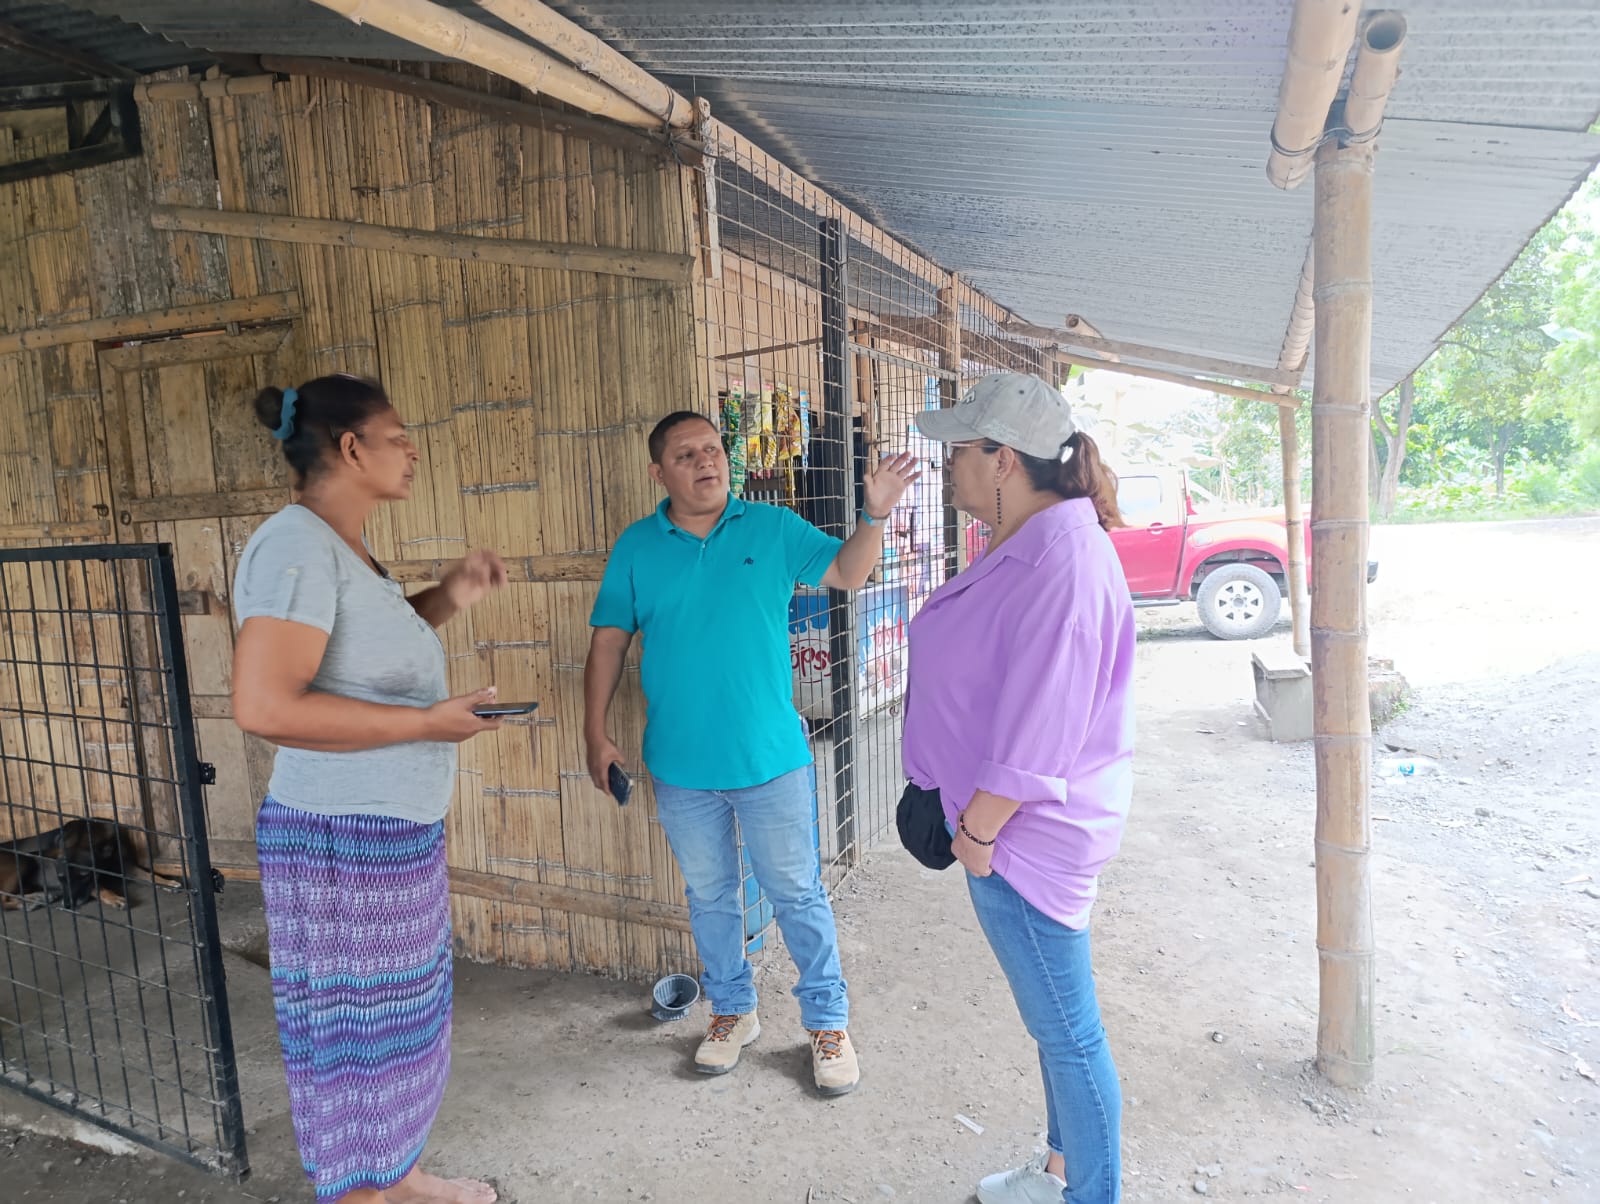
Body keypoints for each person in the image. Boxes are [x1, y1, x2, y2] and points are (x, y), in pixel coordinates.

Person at [231, 374, 508, 1204]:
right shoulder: (294, 547)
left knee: (400, 1030)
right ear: (351, 448)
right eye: (398, 437)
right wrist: (425, 724)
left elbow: (361, 656)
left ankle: (400, 1174)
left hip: (387, 834)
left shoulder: (341, 547)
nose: (412, 451)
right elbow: (265, 705)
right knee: (353, 1047)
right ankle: (361, 1193)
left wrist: (448, 596)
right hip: (339, 843)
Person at [584, 410, 918, 1096]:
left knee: (796, 893)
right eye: (686, 455)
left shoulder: (771, 528)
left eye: (712, 449)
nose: (705, 461)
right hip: (680, 765)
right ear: (658, 472)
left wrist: (875, 514)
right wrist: (595, 732)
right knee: (710, 897)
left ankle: (827, 1023)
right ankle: (732, 1011)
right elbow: (609, 640)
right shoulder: (637, 546)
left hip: (770, 759)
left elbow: (847, 571)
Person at [903, 373, 1134, 1204]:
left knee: (1069, 1037)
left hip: (1020, 842)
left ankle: (1089, 1194)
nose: (949, 466)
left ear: (1002, 459)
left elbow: (1044, 728)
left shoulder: (1063, 562)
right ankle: (1062, 1173)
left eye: (959, 451)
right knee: (1056, 1029)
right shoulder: (1032, 540)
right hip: (1004, 831)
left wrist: (978, 835)